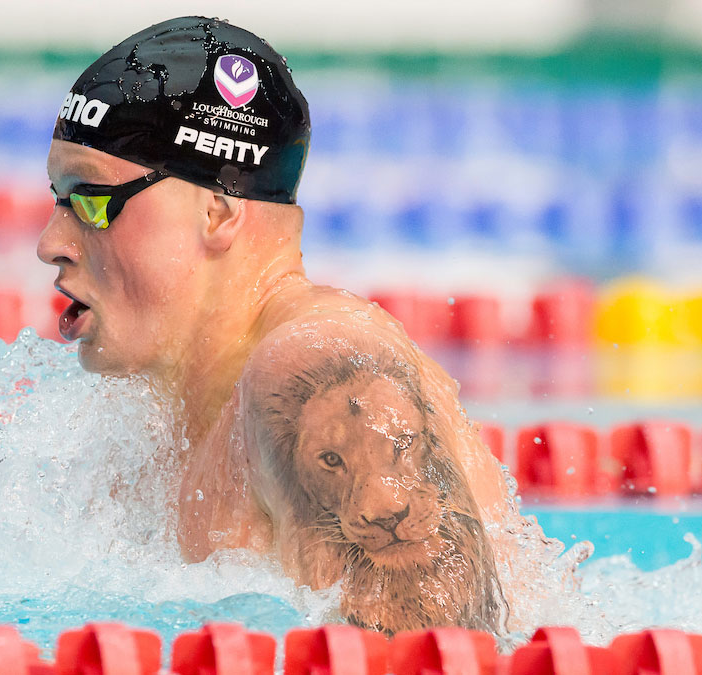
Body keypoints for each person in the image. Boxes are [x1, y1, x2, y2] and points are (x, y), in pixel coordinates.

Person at [38, 16, 513, 633]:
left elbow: (443, 655)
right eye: (58, 200)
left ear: (219, 212)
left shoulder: (313, 363)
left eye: (92, 201)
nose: (51, 242)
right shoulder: (164, 417)